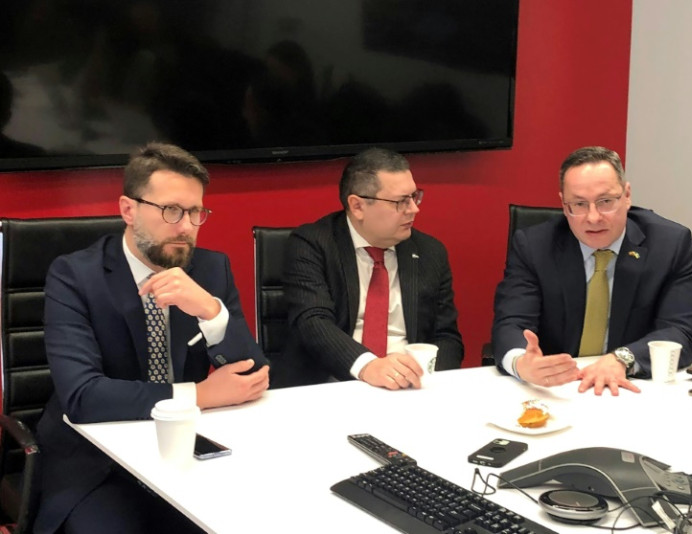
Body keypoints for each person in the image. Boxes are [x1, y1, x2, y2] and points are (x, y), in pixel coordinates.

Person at [35, 143, 269, 534]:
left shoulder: (210, 269)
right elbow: (82, 397)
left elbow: (254, 376)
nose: (185, 227)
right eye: (171, 211)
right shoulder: (75, 276)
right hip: (99, 462)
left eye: (196, 212)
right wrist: (198, 394)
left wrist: (211, 313)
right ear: (129, 210)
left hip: (189, 452)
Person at [491, 146, 692, 395]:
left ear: (627, 195)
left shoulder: (670, 245)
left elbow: (681, 332)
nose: (593, 217)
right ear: (563, 203)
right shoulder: (534, 246)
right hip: (557, 390)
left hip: (630, 388)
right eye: (578, 204)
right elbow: (511, 324)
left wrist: (622, 358)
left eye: (605, 202)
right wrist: (521, 363)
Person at [281, 147, 463, 389]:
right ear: (357, 206)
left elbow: (447, 339)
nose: (414, 209)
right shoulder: (312, 244)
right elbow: (313, 322)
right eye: (401, 201)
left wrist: (425, 379)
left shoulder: (430, 251)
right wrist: (368, 366)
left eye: (415, 196)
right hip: (335, 383)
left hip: (409, 387)